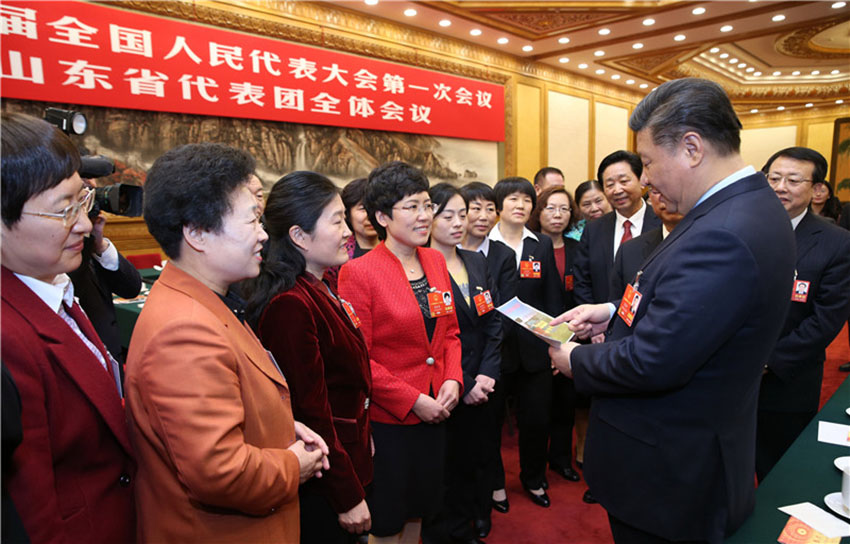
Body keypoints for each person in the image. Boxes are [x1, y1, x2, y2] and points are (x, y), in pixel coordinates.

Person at [549, 77, 795, 543]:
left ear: (691, 147)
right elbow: (688, 312)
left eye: (647, 162)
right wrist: (612, 311)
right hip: (693, 453)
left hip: (671, 473)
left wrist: (575, 360)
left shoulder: (722, 232)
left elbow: (653, 360)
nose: (644, 179)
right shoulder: (745, 209)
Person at [124, 143, 329, 542]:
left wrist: (281, 427)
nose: (263, 235)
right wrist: (293, 465)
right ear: (198, 234)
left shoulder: (203, 299)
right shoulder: (184, 333)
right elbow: (220, 472)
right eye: (253, 220)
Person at [1, 112, 136, 543]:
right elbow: (32, 509)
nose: (83, 224)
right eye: (64, 211)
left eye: (84, 202)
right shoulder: (8, 339)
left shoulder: (55, 285)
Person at [241, 171, 374, 543]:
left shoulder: (320, 283)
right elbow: (310, 411)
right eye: (337, 221)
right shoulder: (290, 306)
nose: (348, 231)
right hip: (325, 477)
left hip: (348, 451)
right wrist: (346, 494)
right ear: (299, 236)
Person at [337, 161, 463, 544]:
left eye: (427, 205)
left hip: (438, 412)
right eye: (412, 207)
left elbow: (451, 333)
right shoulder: (359, 272)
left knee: (421, 509)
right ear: (382, 216)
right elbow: (360, 359)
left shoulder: (436, 260)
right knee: (388, 519)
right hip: (391, 421)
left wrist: (454, 380)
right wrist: (414, 400)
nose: (425, 215)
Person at [756, 147, 850, 481]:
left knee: (778, 473)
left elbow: (826, 320)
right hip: (730, 379)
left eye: (793, 180)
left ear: (816, 189)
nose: (781, 187)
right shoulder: (743, 228)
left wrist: (769, 361)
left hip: (786, 382)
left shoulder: (836, 242)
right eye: (774, 178)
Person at [425, 183, 502, 543]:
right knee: (447, 467)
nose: (459, 222)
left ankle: (479, 515)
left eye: (462, 213)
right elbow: (430, 341)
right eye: (448, 215)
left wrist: (487, 373)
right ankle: (453, 529)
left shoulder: (476, 260)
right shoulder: (420, 269)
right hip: (447, 386)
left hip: (484, 380)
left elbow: (493, 320)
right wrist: (466, 382)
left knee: (482, 455)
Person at [488, 177, 564, 509]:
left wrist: (557, 345)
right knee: (490, 425)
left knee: (536, 420)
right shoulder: (482, 244)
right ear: (498, 206)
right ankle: (494, 486)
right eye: (513, 199)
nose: (521, 206)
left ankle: (533, 479)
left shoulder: (540, 245)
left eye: (527, 200)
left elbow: (552, 298)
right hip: (495, 352)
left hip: (535, 350)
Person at [528, 187, 582, 484]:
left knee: (565, 404)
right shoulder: (530, 247)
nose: (558, 215)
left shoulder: (577, 249)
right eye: (551, 208)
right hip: (536, 339)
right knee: (537, 410)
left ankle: (561, 459)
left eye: (564, 209)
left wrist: (568, 337)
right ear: (539, 212)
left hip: (571, 337)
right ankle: (535, 469)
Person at [573, 150, 661, 308]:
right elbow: (582, 282)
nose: (617, 190)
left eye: (624, 181)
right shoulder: (593, 230)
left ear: (641, 180)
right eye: (610, 184)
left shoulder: (662, 223)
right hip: (601, 326)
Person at [68, 199, 142, 366]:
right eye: (82, 198)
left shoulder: (93, 245)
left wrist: (100, 245)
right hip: (85, 360)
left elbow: (132, 288)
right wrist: (85, 241)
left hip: (112, 356)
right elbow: (74, 288)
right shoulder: (60, 254)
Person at [609, 186, 684, 300]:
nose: (665, 198)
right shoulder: (629, 251)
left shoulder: (712, 242)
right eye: (657, 191)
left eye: (674, 188)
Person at [459, 182, 517, 306]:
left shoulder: (505, 256)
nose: (484, 217)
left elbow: (506, 308)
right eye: (476, 209)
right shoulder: (447, 251)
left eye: (490, 209)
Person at [342, 177, 379, 259]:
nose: (371, 216)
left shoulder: (397, 250)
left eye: (375, 207)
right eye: (363, 209)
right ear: (348, 214)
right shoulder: (340, 254)